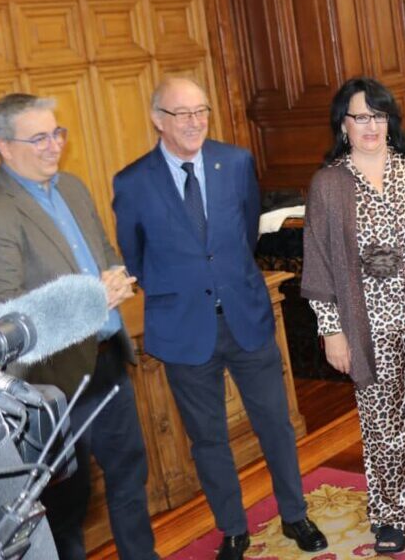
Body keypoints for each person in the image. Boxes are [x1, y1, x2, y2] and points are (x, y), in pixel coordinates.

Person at [113, 78, 327, 560]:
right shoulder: (132, 182)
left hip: (246, 317)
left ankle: (295, 515)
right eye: (181, 113)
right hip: (184, 329)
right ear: (157, 120)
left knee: (275, 424)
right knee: (208, 439)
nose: (193, 122)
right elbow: (135, 257)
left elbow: (245, 229)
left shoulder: (234, 163)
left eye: (201, 111)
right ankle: (233, 529)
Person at [0, 93, 154, 560]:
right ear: (4, 146)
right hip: (52, 387)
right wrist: (91, 299)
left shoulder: (72, 188)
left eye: (57, 133)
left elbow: (104, 253)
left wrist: (115, 276)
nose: (54, 146)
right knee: (64, 509)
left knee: (129, 479)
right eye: (39, 137)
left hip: (107, 365)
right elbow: (7, 318)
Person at [300, 78, 405, 554]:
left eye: (378, 115)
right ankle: (392, 513)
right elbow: (320, 266)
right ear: (343, 124)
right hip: (367, 324)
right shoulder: (329, 183)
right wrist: (332, 331)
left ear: (389, 120)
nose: (370, 126)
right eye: (359, 117)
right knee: (381, 419)